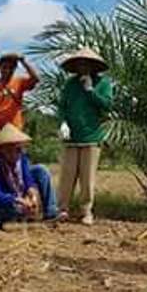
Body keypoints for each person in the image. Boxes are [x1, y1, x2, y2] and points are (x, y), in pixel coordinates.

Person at [57, 48, 113, 226]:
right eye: (80, 63)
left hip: (92, 135)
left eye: (86, 63)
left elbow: (107, 105)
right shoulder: (70, 84)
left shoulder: (103, 83)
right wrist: (62, 122)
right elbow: (62, 106)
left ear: (93, 65)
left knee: (87, 177)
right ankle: (63, 209)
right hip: (71, 137)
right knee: (67, 175)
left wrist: (90, 91)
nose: (83, 66)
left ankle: (86, 211)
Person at [0, 124, 58, 230]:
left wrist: (32, 194)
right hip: (4, 200)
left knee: (41, 170)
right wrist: (17, 200)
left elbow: (28, 180)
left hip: (18, 196)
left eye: (18, 149)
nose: (14, 153)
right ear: (2, 149)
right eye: (9, 150)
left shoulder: (22, 158)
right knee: (13, 210)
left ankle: (51, 214)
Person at [0, 53, 39, 130]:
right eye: (4, 67)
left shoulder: (19, 82)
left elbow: (35, 79)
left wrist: (23, 62)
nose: (7, 70)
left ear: (15, 69)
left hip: (14, 127)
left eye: (11, 68)